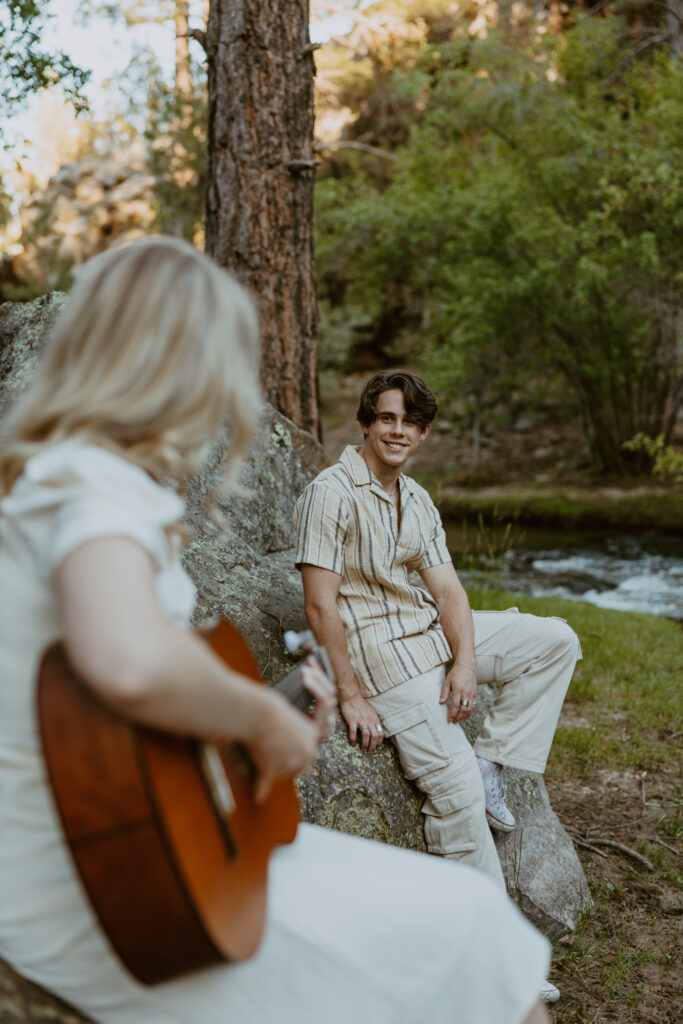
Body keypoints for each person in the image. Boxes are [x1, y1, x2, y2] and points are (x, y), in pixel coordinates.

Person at [0, 238, 551, 1024]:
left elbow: (105, 710)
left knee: (465, 936)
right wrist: (263, 717)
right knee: (481, 940)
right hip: (109, 891)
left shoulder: (52, 471)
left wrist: (251, 718)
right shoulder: (93, 481)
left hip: (107, 851)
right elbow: (124, 661)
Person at [294, 370, 582, 1002]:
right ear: (367, 423)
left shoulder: (416, 499)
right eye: (387, 418)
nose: (399, 431)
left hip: (429, 637)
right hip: (385, 665)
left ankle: (494, 761)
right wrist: (351, 696)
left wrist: (466, 661)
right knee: (455, 798)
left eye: (411, 423)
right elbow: (319, 608)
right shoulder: (331, 492)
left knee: (556, 641)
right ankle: (495, 963)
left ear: (422, 434)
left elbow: (449, 590)